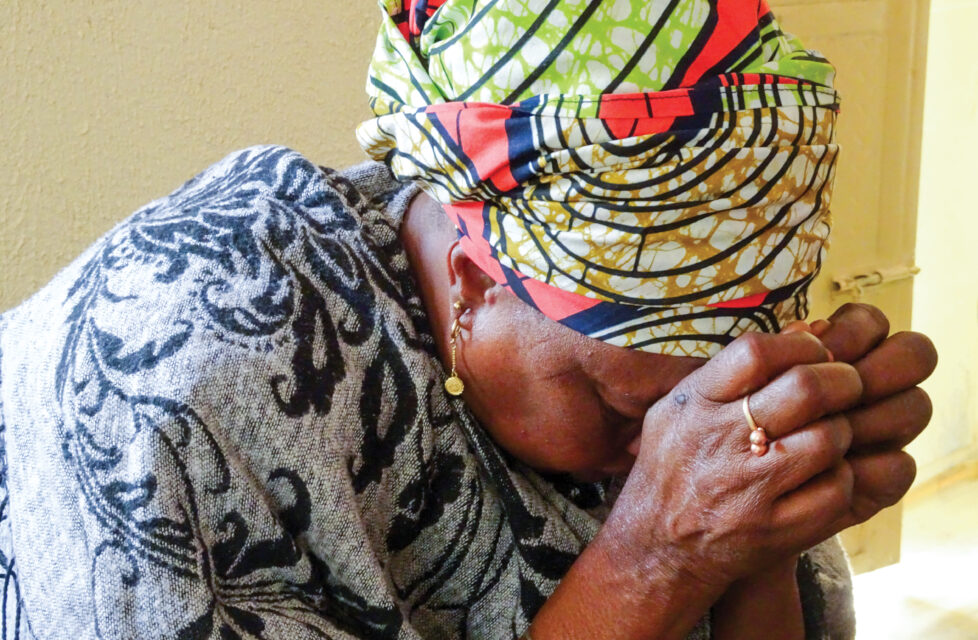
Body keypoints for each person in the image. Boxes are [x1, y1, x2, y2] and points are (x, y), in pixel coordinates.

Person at [0, 1, 935, 639]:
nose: (671, 448)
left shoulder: (666, 377)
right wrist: (658, 556)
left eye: (710, 401)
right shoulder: (176, 377)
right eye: (622, 408)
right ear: (474, 279)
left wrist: (754, 541)